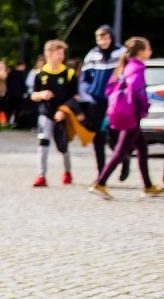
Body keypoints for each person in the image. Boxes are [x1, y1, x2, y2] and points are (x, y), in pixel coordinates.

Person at [90, 37, 158, 198]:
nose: (150, 51)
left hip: (124, 112)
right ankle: (100, 183)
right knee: (120, 151)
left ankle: (148, 186)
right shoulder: (137, 67)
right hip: (131, 114)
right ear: (141, 52)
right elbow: (137, 90)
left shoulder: (124, 66)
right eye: (148, 48)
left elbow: (109, 90)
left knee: (142, 147)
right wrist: (145, 106)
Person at [31, 39, 78, 188]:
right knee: (43, 142)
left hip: (61, 114)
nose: (61, 56)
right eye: (58, 53)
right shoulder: (40, 74)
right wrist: (41, 95)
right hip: (45, 113)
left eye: (62, 53)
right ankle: (41, 175)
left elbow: (74, 97)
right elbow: (32, 95)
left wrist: (64, 110)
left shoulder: (68, 74)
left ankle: (67, 171)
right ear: (48, 54)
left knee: (62, 146)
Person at [81, 26, 123, 174]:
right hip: (96, 101)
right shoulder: (92, 55)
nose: (103, 41)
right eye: (100, 38)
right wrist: (90, 90)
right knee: (98, 138)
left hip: (115, 102)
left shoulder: (121, 53)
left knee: (115, 138)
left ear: (111, 38)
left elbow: (126, 75)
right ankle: (101, 172)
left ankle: (125, 160)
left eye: (106, 38)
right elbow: (84, 78)